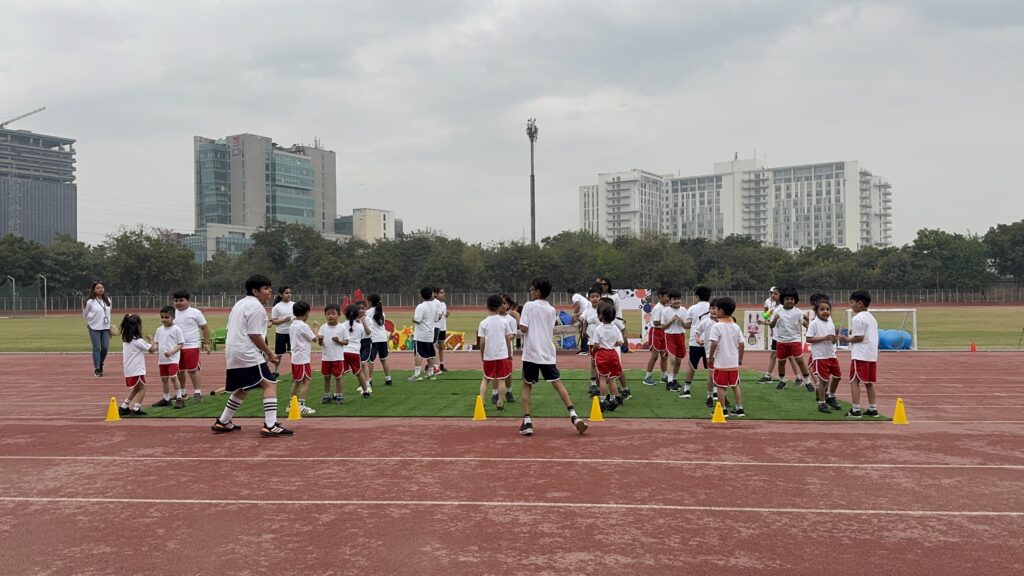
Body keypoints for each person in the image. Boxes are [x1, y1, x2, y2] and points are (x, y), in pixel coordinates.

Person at [211, 274, 292, 437]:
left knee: (243, 387)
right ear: (255, 291)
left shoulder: (239, 304)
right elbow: (254, 334)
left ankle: (223, 421)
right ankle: (270, 425)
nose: (269, 292)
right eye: (266, 289)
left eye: (269, 288)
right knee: (269, 384)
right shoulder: (256, 308)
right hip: (247, 352)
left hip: (233, 352)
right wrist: (269, 353)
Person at [517, 276, 589, 436]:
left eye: (531, 289)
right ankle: (574, 416)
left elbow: (523, 328)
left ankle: (527, 421)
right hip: (547, 352)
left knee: (527, 384)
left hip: (531, 353)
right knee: (557, 383)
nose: (530, 291)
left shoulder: (529, 306)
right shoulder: (551, 309)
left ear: (537, 291)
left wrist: (516, 316)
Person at [838, 290, 880, 418]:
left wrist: (845, 339)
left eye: (852, 302)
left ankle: (855, 409)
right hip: (871, 355)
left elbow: (859, 337)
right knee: (869, 382)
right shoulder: (872, 318)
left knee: (854, 380)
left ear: (860, 303)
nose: (850, 305)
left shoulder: (857, 318)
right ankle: (873, 408)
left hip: (860, 354)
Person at [708, 297, 745, 417]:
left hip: (721, 362)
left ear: (721, 311)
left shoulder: (717, 326)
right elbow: (742, 344)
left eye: (717, 309)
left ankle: (722, 409)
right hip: (733, 362)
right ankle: (739, 408)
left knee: (720, 386)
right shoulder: (736, 326)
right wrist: (740, 359)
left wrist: (710, 357)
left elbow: (713, 343)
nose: (715, 312)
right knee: (735, 385)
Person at [173, 289, 211, 402]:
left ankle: (197, 392)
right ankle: (183, 392)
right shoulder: (172, 313)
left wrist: (207, 343)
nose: (178, 303)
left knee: (193, 370)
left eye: (181, 300)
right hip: (177, 346)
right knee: (179, 370)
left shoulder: (195, 312)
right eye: (176, 300)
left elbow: (204, 327)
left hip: (192, 345)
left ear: (188, 301)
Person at [770, 288, 812, 391]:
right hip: (782, 341)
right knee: (781, 362)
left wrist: (807, 322)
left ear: (795, 300)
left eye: (792, 299)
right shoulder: (777, 311)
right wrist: (775, 318)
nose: (789, 301)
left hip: (795, 340)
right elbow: (771, 324)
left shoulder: (798, 312)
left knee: (800, 361)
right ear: (783, 299)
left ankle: (807, 382)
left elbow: (805, 325)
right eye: (787, 299)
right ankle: (782, 381)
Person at [478, 294, 515, 410]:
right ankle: (500, 401)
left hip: (489, 356)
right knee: (501, 379)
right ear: (500, 307)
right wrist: (509, 354)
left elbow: (482, 342)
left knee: (485, 379)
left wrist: (482, 355)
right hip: (502, 355)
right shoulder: (504, 322)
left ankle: (482, 401)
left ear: (486, 306)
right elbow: (508, 340)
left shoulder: (483, 323)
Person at [805, 299, 843, 413]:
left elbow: (832, 341)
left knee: (837, 377)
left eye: (827, 309)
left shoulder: (830, 323)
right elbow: (808, 338)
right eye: (822, 309)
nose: (825, 311)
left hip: (831, 355)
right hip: (820, 356)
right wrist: (824, 338)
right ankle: (821, 403)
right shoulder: (814, 323)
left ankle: (831, 396)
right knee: (823, 381)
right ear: (816, 311)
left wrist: (835, 338)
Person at [117, 314, 155, 417]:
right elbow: (152, 349)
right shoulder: (138, 341)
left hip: (129, 369)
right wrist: (152, 340)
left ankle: (124, 406)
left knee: (137, 388)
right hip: (136, 369)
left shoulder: (126, 341)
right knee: (143, 388)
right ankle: (136, 409)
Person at [592, 301, 626, 412]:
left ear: (601, 316)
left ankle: (602, 400)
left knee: (602, 379)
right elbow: (620, 342)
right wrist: (612, 344)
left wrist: (593, 351)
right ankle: (613, 399)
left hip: (602, 354)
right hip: (613, 353)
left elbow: (596, 345)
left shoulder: (598, 329)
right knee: (612, 379)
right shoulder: (615, 328)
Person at [151, 305, 186, 409]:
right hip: (162, 360)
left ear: (173, 317)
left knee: (174, 377)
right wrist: (154, 348)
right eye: (162, 317)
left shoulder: (176, 329)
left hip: (173, 359)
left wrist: (172, 352)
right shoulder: (159, 330)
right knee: (164, 379)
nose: (164, 319)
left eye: (167, 317)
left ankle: (179, 398)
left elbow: (180, 344)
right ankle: (166, 399)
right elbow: (156, 343)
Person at [287, 300, 318, 415]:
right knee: (306, 381)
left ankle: (291, 404)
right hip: (303, 358)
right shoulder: (303, 326)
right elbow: (314, 339)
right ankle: (301, 405)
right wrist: (315, 327)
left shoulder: (292, 325)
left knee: (297, 381)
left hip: (296, 357)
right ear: (306, 313)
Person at [681, 285, 712, 395]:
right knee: (711, 368)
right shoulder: (713, 307)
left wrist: (681, 321)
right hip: (710, 342)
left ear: (697, 296)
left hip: (695, 341)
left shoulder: (692, 308)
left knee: (692, 365)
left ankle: (686, 389)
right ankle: (714, 392)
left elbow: (687, 325)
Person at [337, 303, 372, 398]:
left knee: (340, 373)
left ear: (345, 314)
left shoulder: (342, 325)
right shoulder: (360, 326)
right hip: (355, 352)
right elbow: (361, 336)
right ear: (357, 314)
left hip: (343, 351)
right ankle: (365, 390)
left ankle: (338, 393)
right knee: (359, 372)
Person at [695, 298, 721, 408]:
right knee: (711, 375)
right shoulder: (705, 321)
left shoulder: (723, 322)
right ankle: (709, 396)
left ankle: (719, 394)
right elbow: (697, 331)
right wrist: (698, 339)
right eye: (712, 308)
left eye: (717, 309)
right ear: (709, 309)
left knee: (720, 375)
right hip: (709, 353)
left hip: (722, 354)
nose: (714, 311)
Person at [661, 289, 688, 393]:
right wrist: (671, 320)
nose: (677, 301)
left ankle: (675, 379)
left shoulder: (684, 310)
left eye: (678, 299)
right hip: (670, 336)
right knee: (671, 359)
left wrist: (682, 321)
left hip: (680, 335)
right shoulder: (666, 311)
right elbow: (663, 327)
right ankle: (669, 382)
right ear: (670, 300)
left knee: (678, 360)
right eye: (674, 299)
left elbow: (687, 326)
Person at [83, 281, 113, 377]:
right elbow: (85, 313)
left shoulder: (108, 300)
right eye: (98, 288)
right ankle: (97, 368)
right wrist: (88, 323)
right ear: (94, 290)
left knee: (105, 347)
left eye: (102, 287)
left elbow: (108, 313)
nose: (101, 289)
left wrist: (110, 326)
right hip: (94, 327)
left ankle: (100, 362)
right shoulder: (90, 302)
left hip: (105, 327)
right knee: (96, 347)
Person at [364, 294, 394, 387]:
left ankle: (369, 380)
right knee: (384, 359)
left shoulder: (368, 312)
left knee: (370, 361)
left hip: (374, 339)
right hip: (383, 338)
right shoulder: (382, 312)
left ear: (370, 302)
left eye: (367, 301)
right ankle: (388, 379)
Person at [318, 304, 346, 404]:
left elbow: (346, 342)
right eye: (328, 314)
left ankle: (339, 395)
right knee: (326, 377)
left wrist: (338, 341)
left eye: (333, 313)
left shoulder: (342, 328)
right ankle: (326, 395)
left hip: (337, 357)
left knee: (338, 378)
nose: (330, 316)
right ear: (325, 315)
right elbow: (321, 344)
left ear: (338, 315)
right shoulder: (323, 328)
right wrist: (320, 340)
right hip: (326, 358)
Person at [643, 287, 670, 386]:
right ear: (660, 296)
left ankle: (664, 376)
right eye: (666, 296)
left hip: (663, 332)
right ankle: (647, 377)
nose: (668, 299)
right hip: (656, 331)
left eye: (669, 296)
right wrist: (668, 322)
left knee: (664, 356)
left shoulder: (665, 308)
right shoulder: (658, 308)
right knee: (654, 356)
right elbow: (656, 322)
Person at [410, 287, 438, 381]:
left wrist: (412, 318)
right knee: (430, 354)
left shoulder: (421, 306)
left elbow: (417, 320)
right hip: (430, 333)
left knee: (418, 353)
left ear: (422, 295)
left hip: (421, 334)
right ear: (431, 295)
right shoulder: (434, 306)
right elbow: (436, 319)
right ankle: (431, 373)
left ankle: (417, 374)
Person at [581, 285, 604, 397]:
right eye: (592, 296)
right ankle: (593, 383)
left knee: (602, 362)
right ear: (589, 298)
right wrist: (583, 331)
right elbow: (583, 319)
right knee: (593, 362)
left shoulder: (604, 309)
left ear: (601, 297)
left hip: (603, 342)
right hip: (592, 341)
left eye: (597, 296)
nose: (595, 298)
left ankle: (603, 383)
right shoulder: (588, 310)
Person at [597, 277, 629, 353]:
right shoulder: (598, 295)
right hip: (600, 319)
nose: (603, 286)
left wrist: (617, 319)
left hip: (613, 318)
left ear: (609, 285)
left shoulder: (615, 295)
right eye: (601, 284)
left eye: (605, 284)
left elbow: (618, 309)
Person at [269, 286, 295, 378]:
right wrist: (285, 320)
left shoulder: (294, 305)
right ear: (281, 294)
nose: (289, 295)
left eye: (290, 293)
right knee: (279, 354)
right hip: (281, 333)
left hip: (292, 333)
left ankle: (295, 372)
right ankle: (276, 372)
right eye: (286, 293)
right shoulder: (277, 307)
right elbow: (273, 321)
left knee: (293, 353)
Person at [568, 288, 592, 355]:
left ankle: (585, 349)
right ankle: (584, 348)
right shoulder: (579, 296)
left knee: (585, 330)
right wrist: (576, 316)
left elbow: (577, 305)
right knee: (585, 330)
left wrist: (573, 316)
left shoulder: (574, 296)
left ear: (569, 294)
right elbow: (581, 310)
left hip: (587, 313)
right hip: (586, 312)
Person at [435, 287, 450, 372]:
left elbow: (444, 316)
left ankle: (441, 364)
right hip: (436, 328)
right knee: (434, 347)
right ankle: (433, 365)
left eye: (443, 292)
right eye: (441, 292)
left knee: (441, 347)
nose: (443, 294)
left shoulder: (443, 304)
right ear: (436, 294)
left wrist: (447, 315)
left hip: (443, 327)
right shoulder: (435, 303)